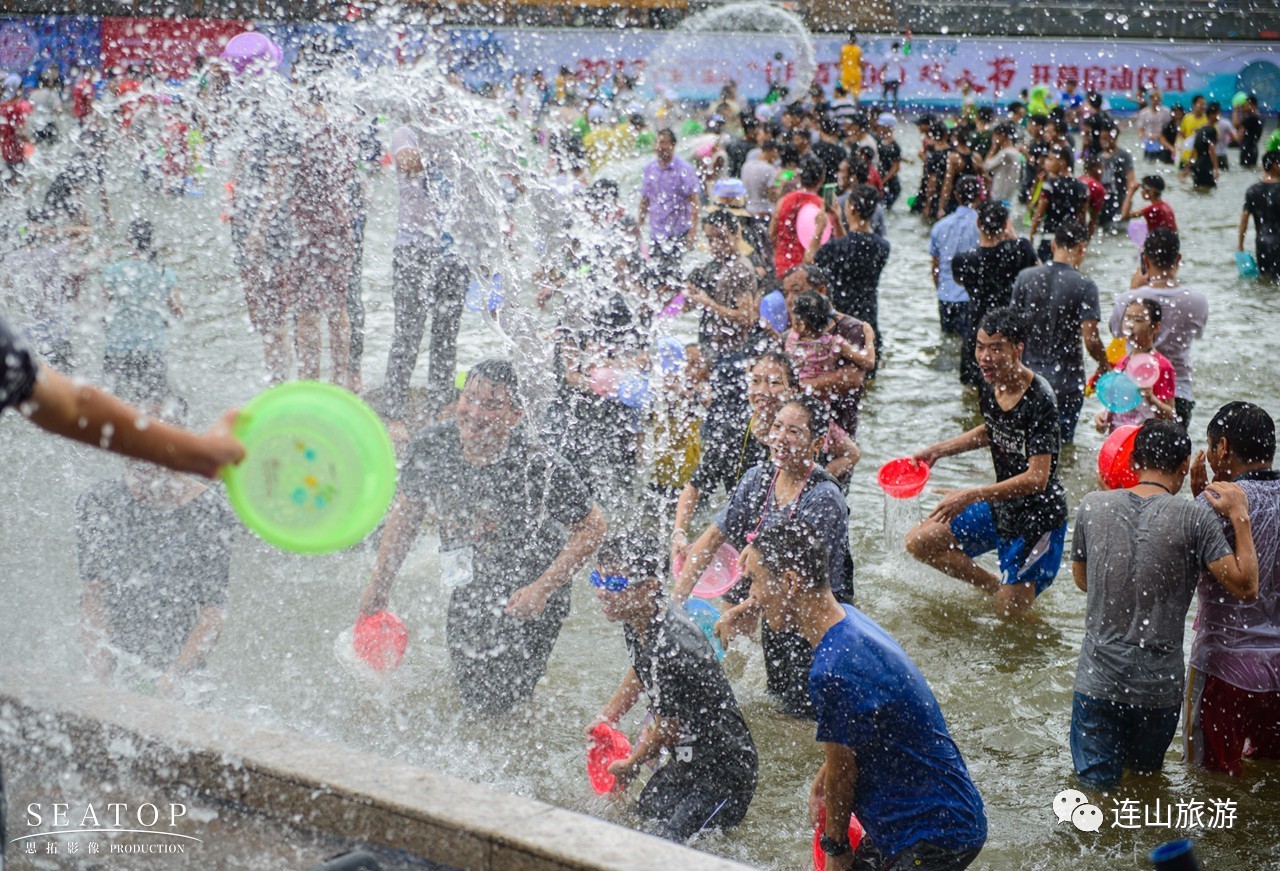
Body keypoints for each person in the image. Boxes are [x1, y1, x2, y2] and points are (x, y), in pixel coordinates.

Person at [357, 360, 606, 715]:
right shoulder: (431, 446)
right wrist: (378, 587)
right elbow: (406, 516)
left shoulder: (536, 463)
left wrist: (541, 589)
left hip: (532, 588)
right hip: (469, 579)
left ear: (515, 415)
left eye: (491, 405)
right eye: (469, 399)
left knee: (509, 700)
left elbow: (593, 527)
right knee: (469, 687)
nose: (474, 412)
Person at [742, 521, 986, 870]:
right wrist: (822, 778)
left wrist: (835, 846)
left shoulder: (831, 669)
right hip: (947, 813)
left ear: (791, 582)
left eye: (754, 579)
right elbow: (861, 733)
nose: (751, 595)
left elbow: (845, 773)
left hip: (935, 835)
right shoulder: (850, 623)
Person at [1070, 419, 1257, 790]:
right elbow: (1246, 585)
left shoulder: (1093, 506)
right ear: (1185, 465)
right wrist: (1239, 515)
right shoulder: (1195, 517)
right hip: (1156, 690)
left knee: (1093, 794)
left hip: (1098, 680)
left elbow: (1083, 581)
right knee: (1144, 788)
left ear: (1134, 461)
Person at [679, 396, 853, 717]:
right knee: (777, 707)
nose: (780, 437)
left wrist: (741, 609)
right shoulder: (758, 479)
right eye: (777, 427)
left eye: (794, 432)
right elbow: (712, 537)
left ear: (816, 444)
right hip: (777, 614)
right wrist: (675, 603)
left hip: (818, 624)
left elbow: (797, 583)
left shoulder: (824, 498)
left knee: (807, 721)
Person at [589, 532, 757, 842]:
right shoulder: (637, 617)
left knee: (672, 848)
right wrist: (608, 716)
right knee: (639, 820)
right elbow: (642, 670)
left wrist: (632, 763)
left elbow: (668, 727)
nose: (601, 592)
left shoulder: (673, 643)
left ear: (651, 587)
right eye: (597, 580)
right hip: (686, 761)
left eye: (614, 583)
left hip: (724, 773)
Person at [905, 308, 1068, 618]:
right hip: (1001, 504)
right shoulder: (990, 383)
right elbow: (993, 429)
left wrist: (969, 495)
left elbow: (1038, 479)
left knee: (1010, 618)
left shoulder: (1039, 399)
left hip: (1037, 519)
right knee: (920, 541)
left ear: (1018, 348)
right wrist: (940, 450)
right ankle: (997, 585)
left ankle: (1011, 591)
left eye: (996, 347)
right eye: (980, 346)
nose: (985, 357)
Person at [78, 394, 236, 696]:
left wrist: (173, 676)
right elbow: (92, 600)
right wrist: (99, 682)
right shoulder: (97, 502)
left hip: (180, 668)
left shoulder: (210, 512)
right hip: (115, 661)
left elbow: (212, 614)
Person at [670, 351, 860, 567]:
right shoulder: (732, 432)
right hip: (745, 540)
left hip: (792, 545)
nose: (762, 391)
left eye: (774, 383)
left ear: (793, 391)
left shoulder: (810, 425)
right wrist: (679, 531)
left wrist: (815, 482)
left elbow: (852, 453)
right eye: (756, 381)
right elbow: (695, 486)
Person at [1187, 402, 1280, 777]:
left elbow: (1187, 577)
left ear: (1223, 447)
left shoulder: (1213, 505)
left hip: (1226, 671)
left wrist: (1196, 503)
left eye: (1209, 448)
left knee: (1210, 783)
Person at [383, 125, 469, 429]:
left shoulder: (460, 131)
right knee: (408, 333)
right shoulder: (406, 132)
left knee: (446, 334)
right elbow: (407, 162)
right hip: (413, 249)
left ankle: (441, 405)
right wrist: (447, 149)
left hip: (453, 249)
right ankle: (394, 411)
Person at [1009, 220, 1107, 443]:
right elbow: (1090, 339)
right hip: (1067, 382)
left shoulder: (1025, 277)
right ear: (1083, 248)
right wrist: (1103, 364)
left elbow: (1011, 330)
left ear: (1053, 245)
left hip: (1028, 378)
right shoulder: (1084, 285)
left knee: (1027, 445)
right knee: (1061, 448)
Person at [1112, 229, 1208, 430]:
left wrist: (1133, 288)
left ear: (1145, 262)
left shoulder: (1129, 300)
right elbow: (1197, 335)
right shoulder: (1197, 301)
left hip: (1135, 395)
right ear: (1178, 259)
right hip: (1179, 392)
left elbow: (1116, 333)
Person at [952, 201, 1037, 388]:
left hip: (977, 334)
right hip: (1010, 332)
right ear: (1006, 224)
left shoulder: (964, 260)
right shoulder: (1020, 250)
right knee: (1014, 388)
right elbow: (1037, 273)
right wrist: (1014, 239)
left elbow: (960, 281)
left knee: (975, 393)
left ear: (978, 224)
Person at [100, 219, 182, 397]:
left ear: (128, 241)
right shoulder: (164, 273)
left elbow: (104, 310)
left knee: (115, 402)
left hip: (117, 347)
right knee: (154, 403)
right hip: (152, 348)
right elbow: (178, 310)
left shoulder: (112, 272)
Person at [809, 184, 889, 355]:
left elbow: (809, 263)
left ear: (851, 209)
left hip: (842, 323)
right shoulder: (883, 246)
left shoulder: (838, 247)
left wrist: (820, 228)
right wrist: (837, 222)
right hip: (868, 321)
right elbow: (851, 249)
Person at [1094, 298, 1176, 433]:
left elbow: (1170, 416)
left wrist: (1151, 398)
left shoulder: (1161, 366)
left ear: (1155, 327)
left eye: (1137, 320)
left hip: (1145, 440)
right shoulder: (1121, 363)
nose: (1130, 325)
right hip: (1118, 438)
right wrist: (1103, 418)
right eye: (1127, 319)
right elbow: (1117, 406)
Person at [639, 128, 701, 281]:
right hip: (656, 231)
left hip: (678, 232)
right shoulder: (650, 169)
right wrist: (639, 224)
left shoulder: (684, 169)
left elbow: (694, 201)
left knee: (676, 276)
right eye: (658, 143)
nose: (660, 147)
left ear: (673, 145)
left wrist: (693, 232)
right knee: (657, 276)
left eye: (664, 143)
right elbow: (645, 199)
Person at [928, 175, 982, 339]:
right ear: (979, 196)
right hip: (970, 296)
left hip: (946, 295)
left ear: (957, 195)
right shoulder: (982, 227)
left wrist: (940, 288)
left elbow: (935, 267)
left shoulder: (940, 226)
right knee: (968, 343)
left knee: (946, 340)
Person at [1029, 145, 1088, 262]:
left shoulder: (1049, 185)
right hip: (1071, 243)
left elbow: (1038, 215)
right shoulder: (1082, 187)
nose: (1046, 163)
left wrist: (1031, 237)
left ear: (1062, 162)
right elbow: (1082, 218)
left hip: (1050, 239)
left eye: (1050, 159)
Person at [772, 155, 826, 278]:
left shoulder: (783, 201)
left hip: (782, 265)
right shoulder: (821, 206)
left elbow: (772, 233)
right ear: (821, 180)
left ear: (800, 177)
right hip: (806, 269)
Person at [1239, 150, 1280, 280]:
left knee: (1265, 279)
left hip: (1261, 243)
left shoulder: (1252, 190)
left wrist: (1240, 245)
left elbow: (1244, 221)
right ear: (1274, 165)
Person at [1237, 95, 1264, 169]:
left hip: (1248, 150)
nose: (1244, 107)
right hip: (1253, 149)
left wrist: (1235, 110)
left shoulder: (1253, 118)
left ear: (1253, 105)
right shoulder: (1259, 117)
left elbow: (1237, 125)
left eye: (1246, 105)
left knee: (1245, 170)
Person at [840, 34, 862, 104]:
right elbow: (860, 62)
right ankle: (855, 109)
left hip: (846, 73)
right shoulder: (858, 49)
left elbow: (840, 61)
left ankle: (845, 106)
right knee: (855, 93)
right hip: (855, 73)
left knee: (845, 92)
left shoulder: (843, 49)